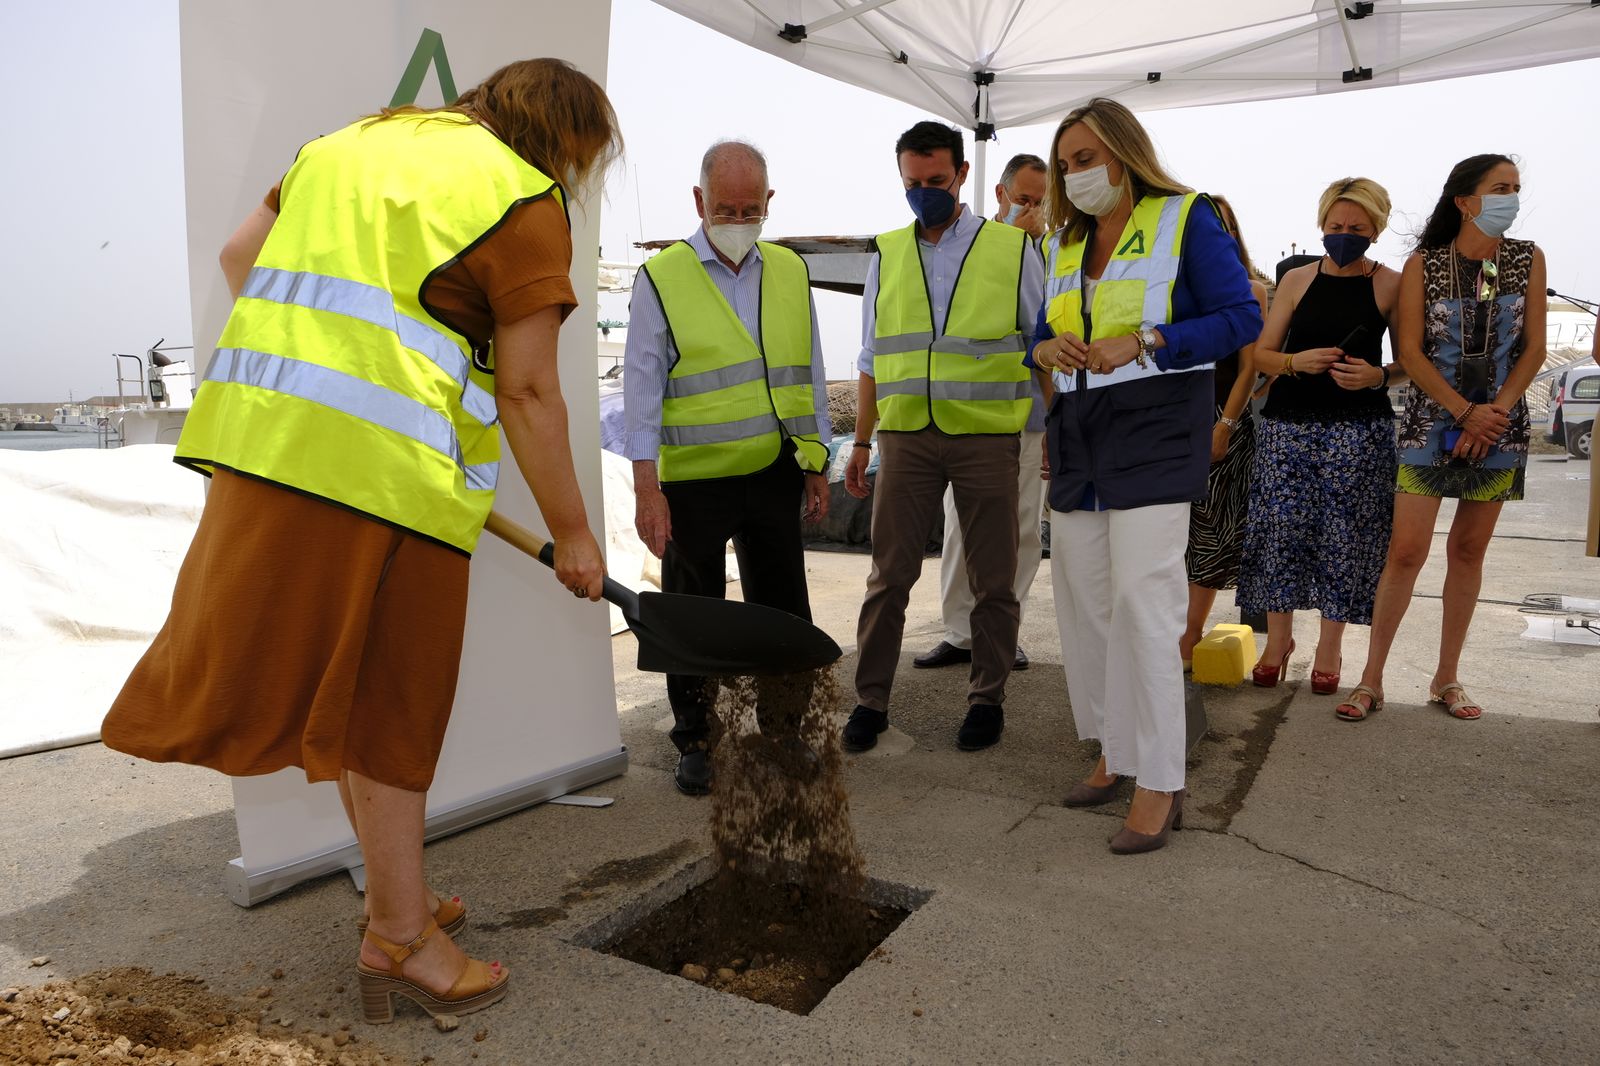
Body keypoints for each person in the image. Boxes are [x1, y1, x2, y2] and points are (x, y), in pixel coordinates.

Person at [100, 58, 621, 1023]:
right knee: (394, 697)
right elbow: (530, 390)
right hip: (384, 482)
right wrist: (575, 537)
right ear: (565, 141)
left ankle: (399, 896)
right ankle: (401, 939)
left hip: (262, 448)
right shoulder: (520, 195)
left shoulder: (344, 145)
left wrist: (338, 360)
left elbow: (236, 256)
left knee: (355, 693)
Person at [1030, 98, 1260, 854]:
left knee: (1145, 604)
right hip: (1078, 435)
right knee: (1086, 607)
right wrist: (1043, 352)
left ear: (1125, 153)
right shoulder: (1063, 240)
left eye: (1086, 158)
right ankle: (1114, 751)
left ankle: (1160, 779)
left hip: (1157, 427)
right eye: (1066, 163)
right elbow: (1043, 331)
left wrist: (1148, 339)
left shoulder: (1187, 216)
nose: (1075, 174)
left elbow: (1240, 318)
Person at [623, 140, 832, 794]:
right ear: (698, 202)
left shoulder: (791, 271)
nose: (737, 221)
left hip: (773, 469)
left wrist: (817, 460)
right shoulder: (662, 277)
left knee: (783, 607)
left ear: (768, 204)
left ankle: (783, 732)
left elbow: (810, 370)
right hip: (693, 482)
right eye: (724, 208)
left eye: (749, 209)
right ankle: (697, 739)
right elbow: (640, 390)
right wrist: (646, 490)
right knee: (693, 611)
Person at [842, 122, 1043, 754]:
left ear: (961, 175)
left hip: (986, 438)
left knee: (994, 578)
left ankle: (987, 700)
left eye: (935, 181)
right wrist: (862, 442)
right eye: (911, 183)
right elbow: (872, 355)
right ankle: (870, 701)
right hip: (905, 438)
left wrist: (1049, 436)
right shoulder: (887, 250)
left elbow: (1040, 348)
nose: (923, 192)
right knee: (888, 577)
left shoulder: (1012, 248)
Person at [1338, 155, 1546, 722]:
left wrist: (1493, 413)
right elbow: (1409, 354)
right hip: (1432, 423)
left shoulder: (1527, 259)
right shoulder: (1424, 264)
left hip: (1502, 426)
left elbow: (1533, 348)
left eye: (1516, 188)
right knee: (1406, 552)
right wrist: (1462, 412)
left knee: (1469, 551)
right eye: (1500, 188)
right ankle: (1371, 678)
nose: (1512, 197)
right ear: (1464, 201)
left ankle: (1446, 677)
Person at [1235, 178, 1404, 698]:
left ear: (1376, 228)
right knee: (1280, 532)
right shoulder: (1295, 279)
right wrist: (1294, 361)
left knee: (1344, 538)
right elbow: (1259, 355)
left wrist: (1378, 376)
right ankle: (1278, 643)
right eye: (1335, 226)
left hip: (1359, 430)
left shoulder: (1392, 284)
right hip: (1289, 424)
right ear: (1321, 224)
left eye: (1356, 227)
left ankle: (1330, 649)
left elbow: (1413, 361)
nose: (1344, 234)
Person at [916, 152, 1050, 674]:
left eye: (1041, 202)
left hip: (1027, 414)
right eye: (1024, 200)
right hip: (970, 414)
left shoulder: (1056, 247)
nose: (1033, 209)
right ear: (1000, 194)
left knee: (1018, 527)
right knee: (958, 524)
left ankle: (1001, 630)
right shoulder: (973, 246)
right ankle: (958, 630)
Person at [1178, 194, 1268, 664]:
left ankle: (1189, 635)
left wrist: (1226, 425)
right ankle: (1168, 628)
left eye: (1224, 225)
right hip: (1170, 421)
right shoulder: (1171, 287)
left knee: (1213, 533)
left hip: (1222, 422)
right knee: (1171, 531)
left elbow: (1250, 368)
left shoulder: (1251, 291)